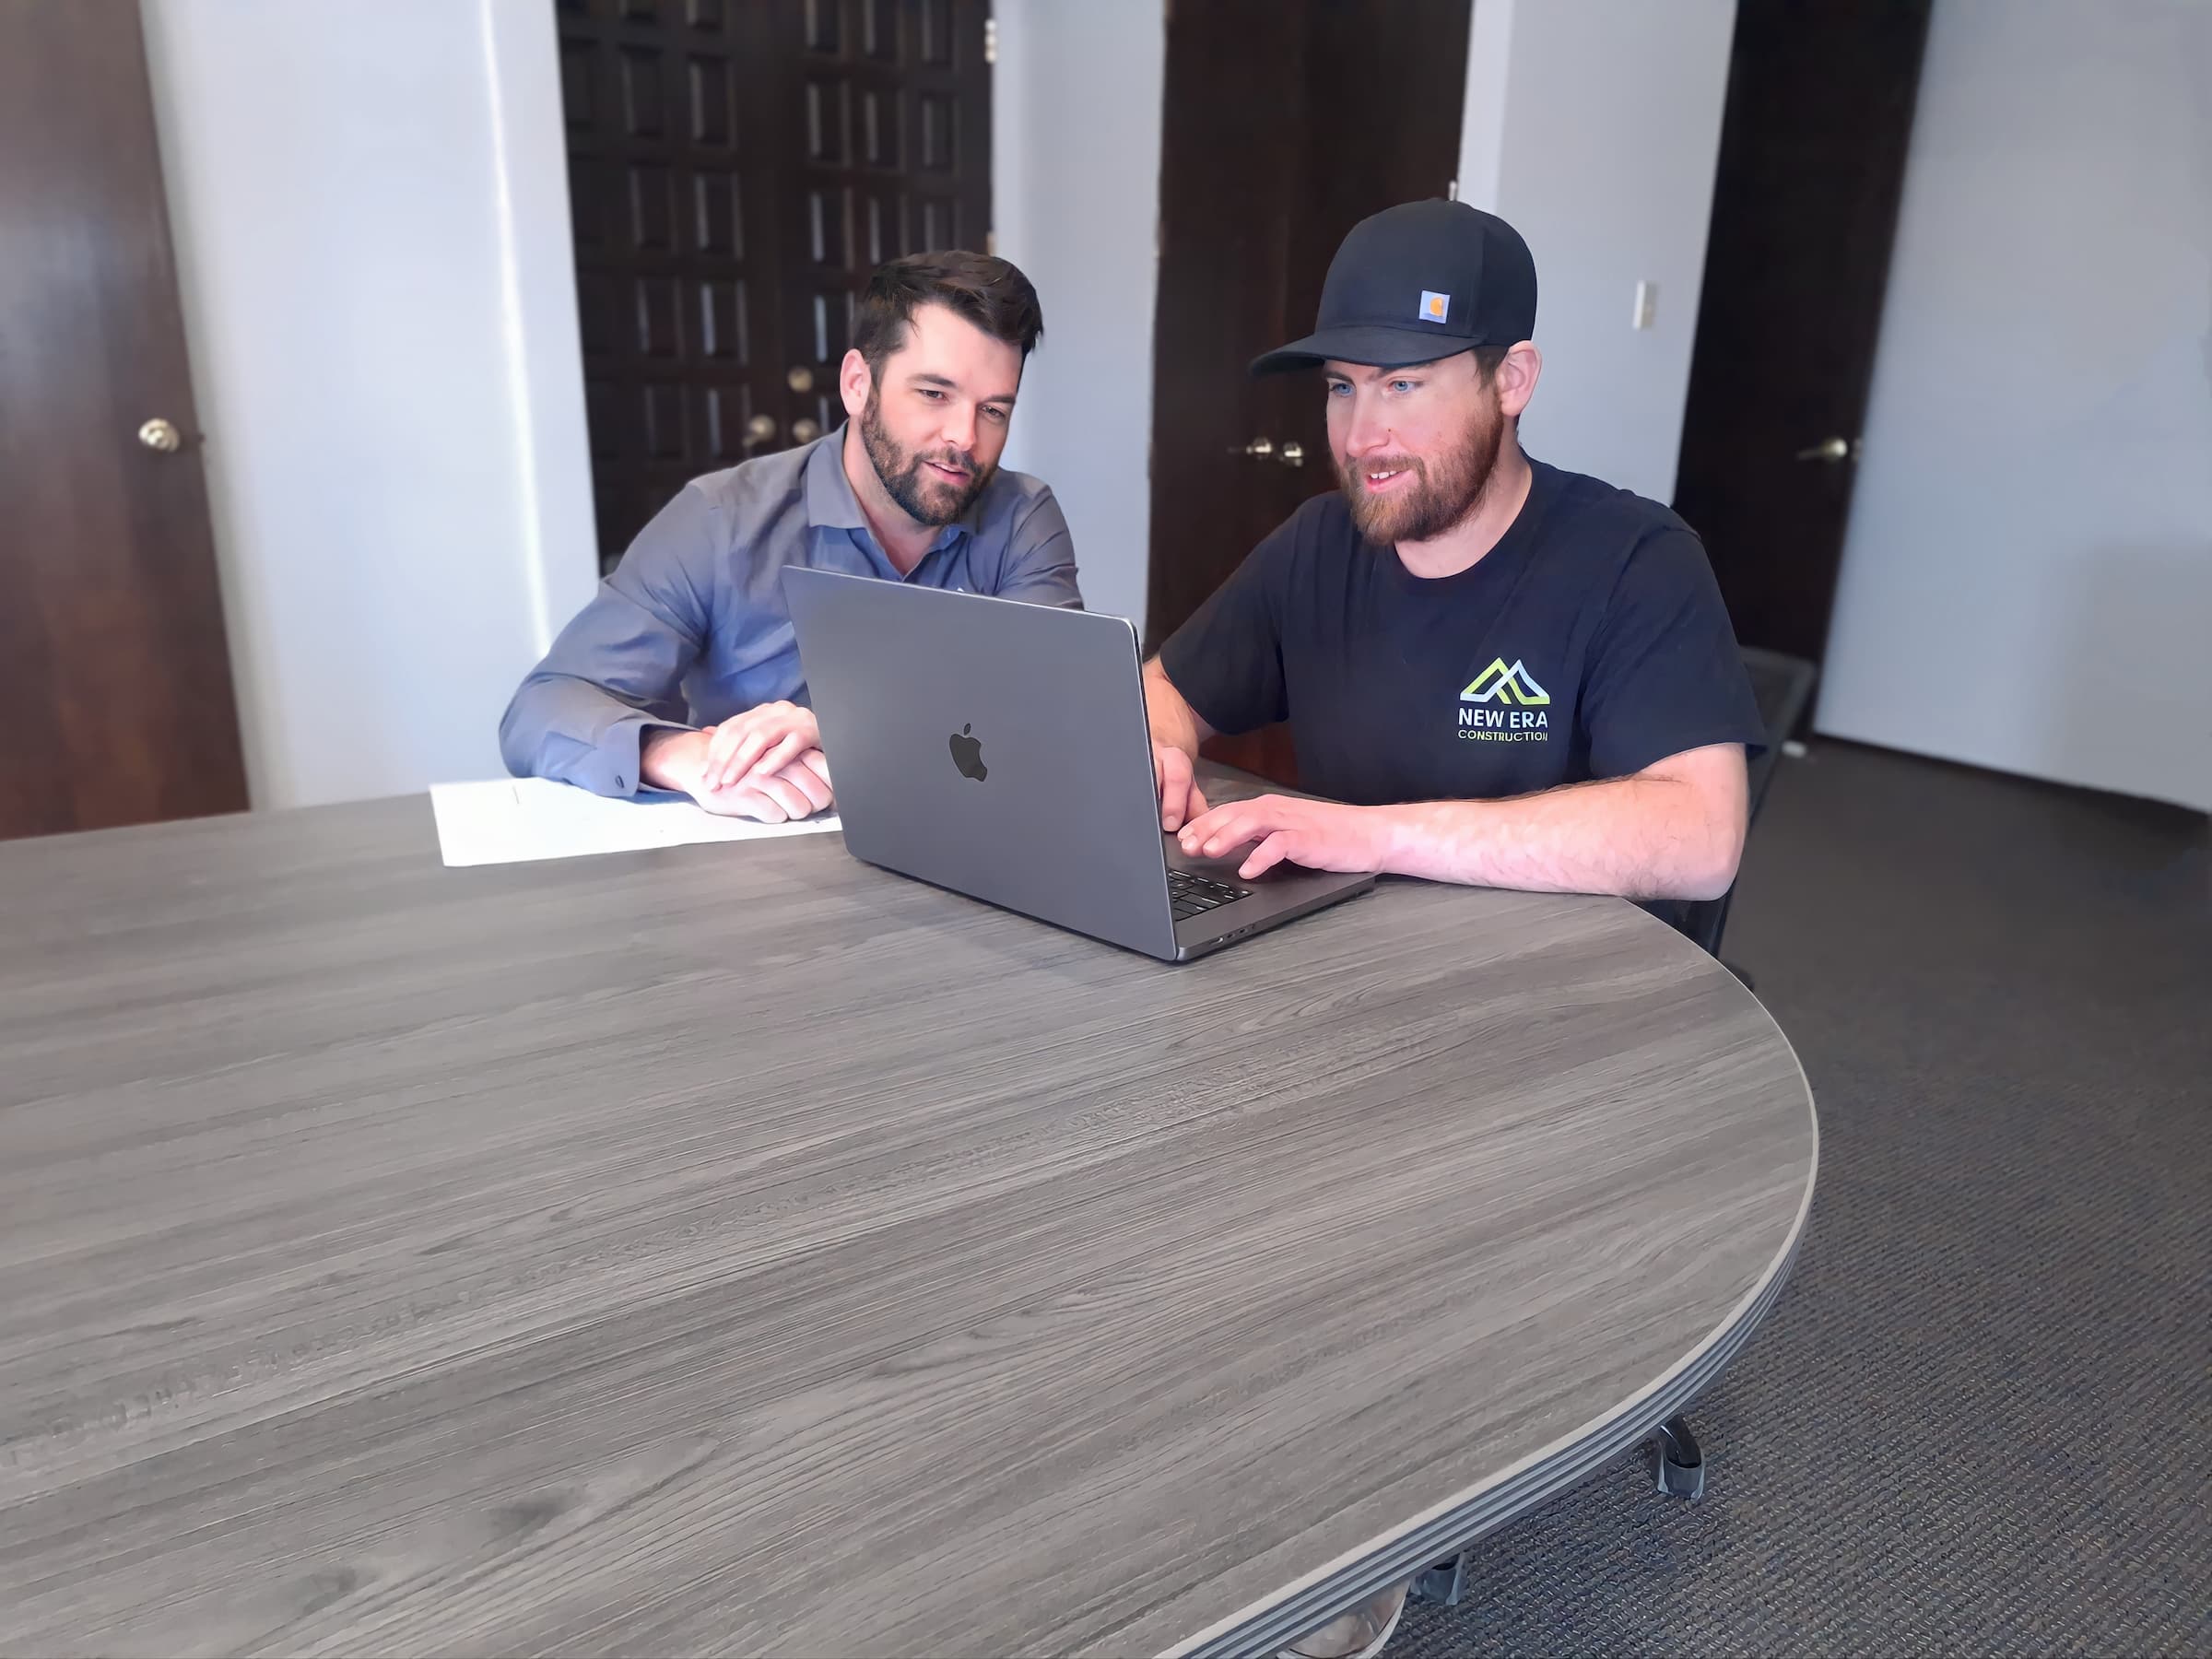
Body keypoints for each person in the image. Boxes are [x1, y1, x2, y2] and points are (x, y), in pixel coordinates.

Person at [1147, 200, 1764, 960]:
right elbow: (1166, 687)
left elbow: (1701, 837)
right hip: (1361, 973)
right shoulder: (1317, 544)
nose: (1361, 435)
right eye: (1342, 387)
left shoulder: (1636, 558)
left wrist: (1376, 837)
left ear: (1511, 380)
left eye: (1402, 385)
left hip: (1570, 1003)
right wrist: (1160, 746)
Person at [501, 251, 1081, 820]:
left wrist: (845, 730)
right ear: (858, 384)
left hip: (960, 848)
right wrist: (684, 755)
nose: (965, 437)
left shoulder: (1022, 519)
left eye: (994, 411)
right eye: (934, 394)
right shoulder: (720, 519)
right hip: (760, 867)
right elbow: (540, 709)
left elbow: (1052, 717)